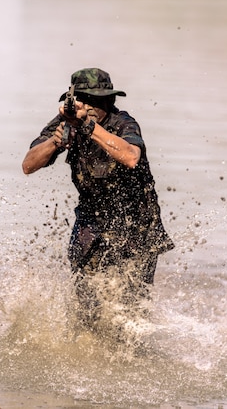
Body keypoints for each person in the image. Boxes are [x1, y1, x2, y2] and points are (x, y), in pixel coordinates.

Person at [22, 68, 174, 331]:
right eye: (83, 100)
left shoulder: (123, 123)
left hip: (136, 225)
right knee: (85, 306)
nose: (88, 106)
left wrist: (86, 126)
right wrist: (55, 143)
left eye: (95, 101)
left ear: (109, 102)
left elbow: (130, 156)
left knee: (130, 312)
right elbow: (28, 165)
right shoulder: (66, 123)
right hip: (91, 222)